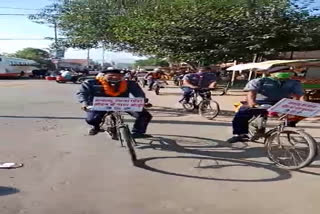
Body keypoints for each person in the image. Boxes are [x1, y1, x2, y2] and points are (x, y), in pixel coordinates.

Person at [227, 66, 305, 143]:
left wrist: (301, 105)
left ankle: (289, 125)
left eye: (287, 71)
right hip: (260, 103)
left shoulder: (294, 83)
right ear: (272, 73)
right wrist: (252, 104)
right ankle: (239, 134)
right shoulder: (260, 81)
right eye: (282, 71)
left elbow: (300, 95)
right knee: (242, 113)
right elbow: (251, 93)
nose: (286, 73)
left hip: (281, 103)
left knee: (299, 114)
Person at [77, 69, 153, 138]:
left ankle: (138, 132)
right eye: (111, 76)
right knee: (91, 119)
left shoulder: (130, 83)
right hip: (99, 105)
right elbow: (82, 93)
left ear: (122, 77)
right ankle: (96, 127)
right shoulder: (91, 83)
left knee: (145, 115)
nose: (115, 77)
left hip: (123, 105)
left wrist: (142, 102)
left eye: (119, 76)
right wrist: (84, 103)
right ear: (104, 76)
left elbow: (138, 94)